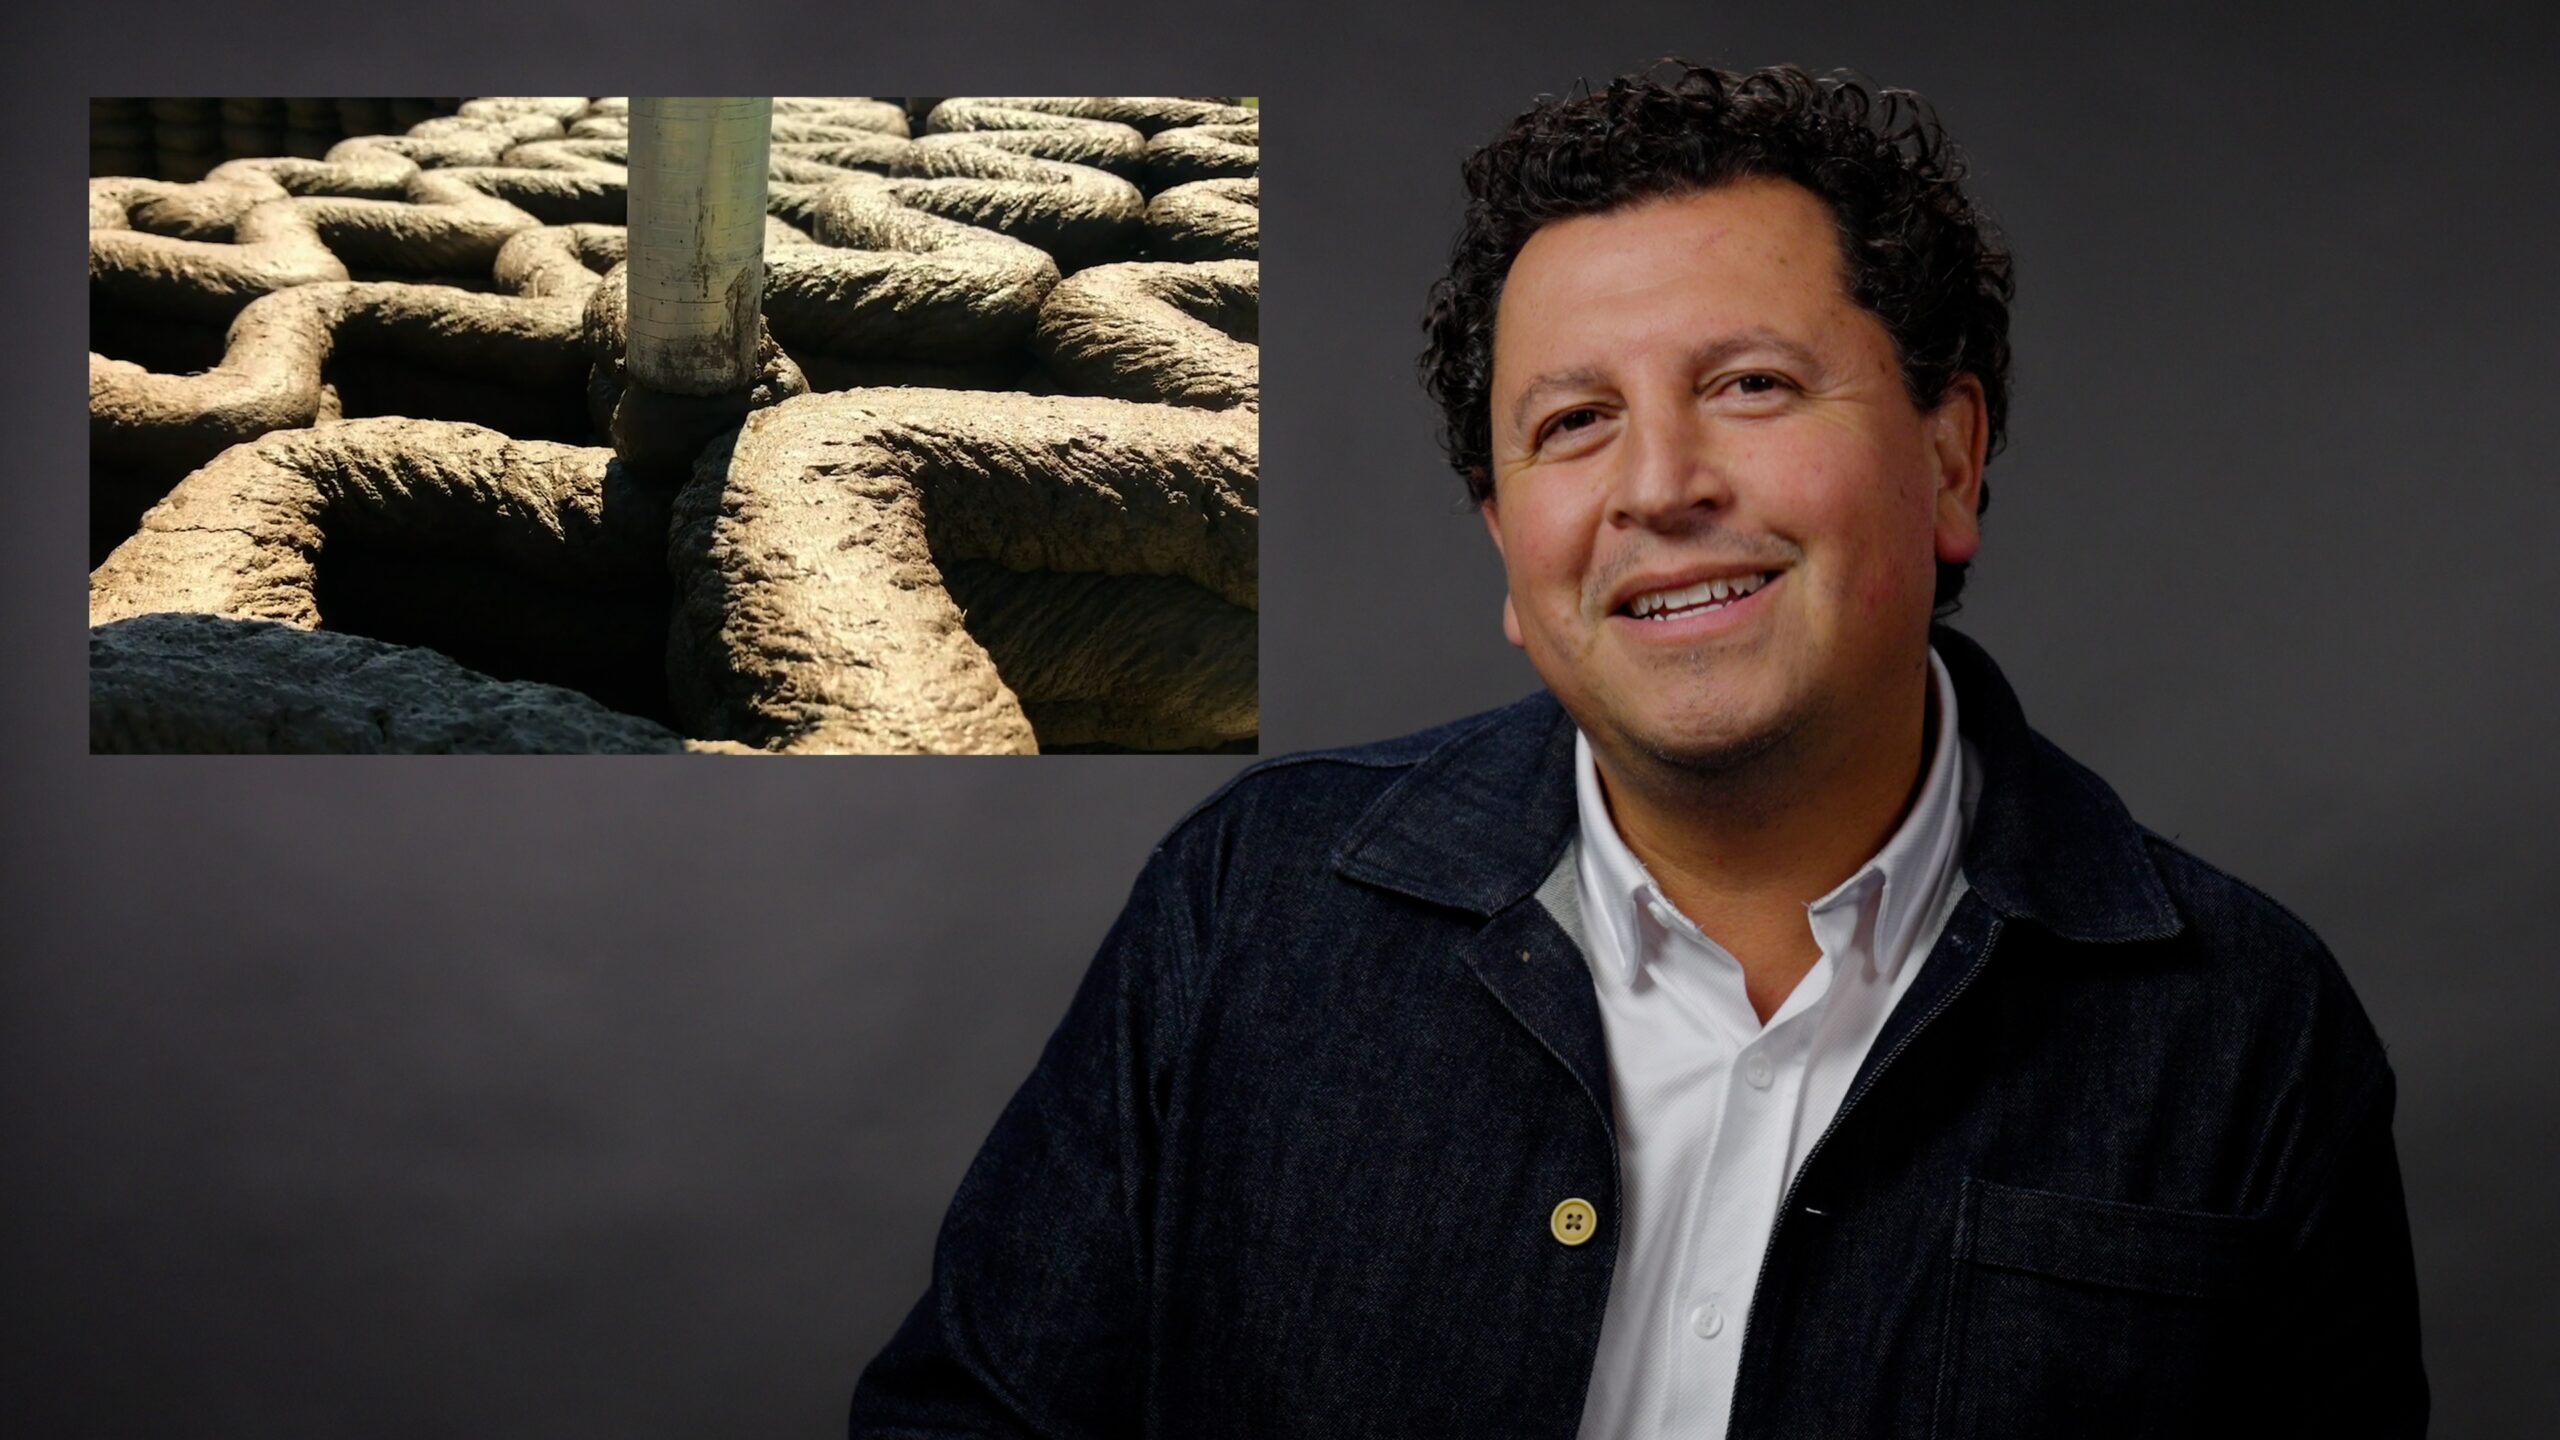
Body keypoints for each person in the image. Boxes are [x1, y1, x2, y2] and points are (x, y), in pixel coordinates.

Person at [850, 62, 2426, 1437]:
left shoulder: (2247, 1031)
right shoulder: (1242, 908)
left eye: (1750, 386)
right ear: (1508, 547)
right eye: (1573, 424)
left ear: (1950, 458)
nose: (1659, 485)